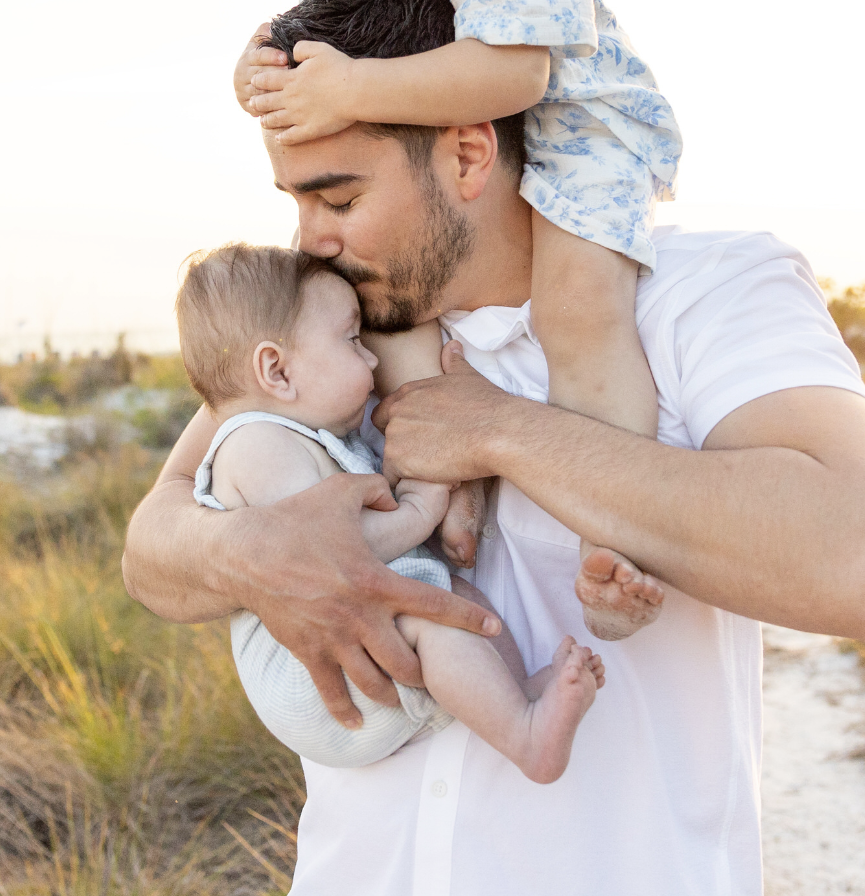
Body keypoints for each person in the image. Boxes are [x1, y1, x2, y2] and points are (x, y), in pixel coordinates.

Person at [122, 0, 865, 895]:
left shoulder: (709, 292)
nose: (310, 243)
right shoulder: (332, 335)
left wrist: (504, 434)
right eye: (294, 202)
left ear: (468, 154)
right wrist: (253, 554)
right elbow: (154, 547)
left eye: (338, 200)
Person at [182, 0, 680, 639]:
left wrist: (356, 87)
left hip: (578, 122)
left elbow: (516, 74)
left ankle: (614, 532)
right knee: (386, 306)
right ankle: (441, 483)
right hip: (456, 156)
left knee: (579, 306)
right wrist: (259, 69)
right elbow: (336, 21)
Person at [173, 241, 606, 783]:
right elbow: (334, 554)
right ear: (276, 371)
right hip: (308, 673)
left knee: (458, 601)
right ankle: (525, 736)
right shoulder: (258, 445)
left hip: (340, 639)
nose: (373, 359)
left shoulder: (307, 431)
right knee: (431, 612)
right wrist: (419, 510)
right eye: (352, 341)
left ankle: (511, 695)